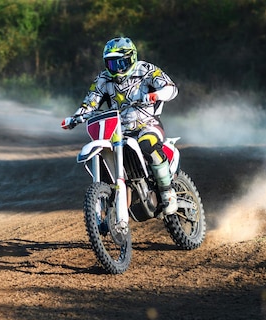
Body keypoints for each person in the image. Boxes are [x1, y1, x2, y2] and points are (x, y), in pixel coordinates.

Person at [61, 36, 179, 215]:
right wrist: (75, 118)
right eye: (111, 64)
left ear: (131, 58)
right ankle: (113, 198)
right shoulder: (103, 79)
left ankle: (167, 191)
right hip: (119, 132)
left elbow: (171, 88)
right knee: (104, 156)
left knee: (147, 144)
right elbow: (90, 103)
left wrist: (157, 94)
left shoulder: (145, 69)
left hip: (147, 124)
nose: (116, 68)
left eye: (120, 63)